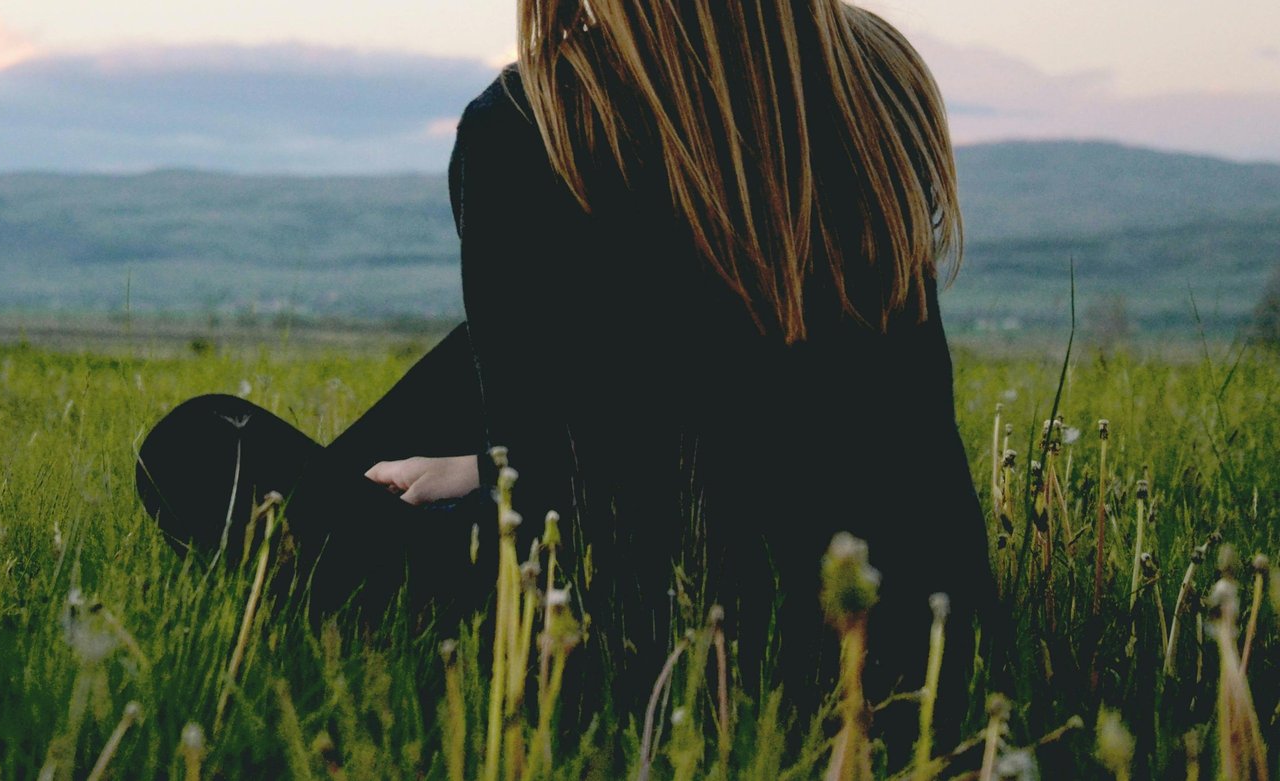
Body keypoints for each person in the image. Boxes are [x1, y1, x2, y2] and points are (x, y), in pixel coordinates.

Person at [134, 0, 999, 727]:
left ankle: (337, 515)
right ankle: (368, 495)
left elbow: (567, 509)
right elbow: (763, 398)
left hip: (647, 646)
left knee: (194, 447)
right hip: (916, 631)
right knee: (476, 355)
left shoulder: (538, 118)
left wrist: (495, 473)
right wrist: (485, 463)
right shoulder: (874, 71)